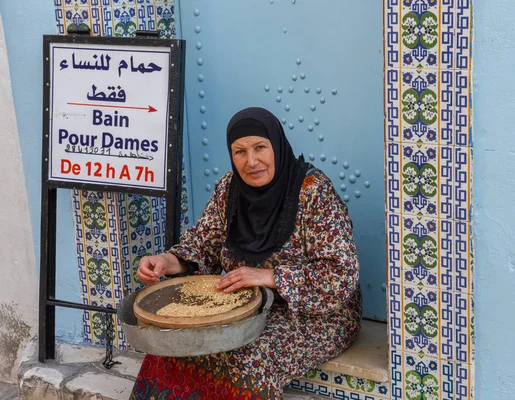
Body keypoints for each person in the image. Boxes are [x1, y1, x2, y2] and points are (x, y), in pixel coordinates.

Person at [129, 107, 362, 400]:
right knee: (172, 346)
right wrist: (166, 261)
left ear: (276, 146)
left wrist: (270, 276)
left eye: (260, 148)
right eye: (239, 152)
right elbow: (202, 245)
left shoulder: (312, 192)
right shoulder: (230, 189)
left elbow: (341, 275)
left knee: (248, 357)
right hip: (246, 307)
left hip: (317, 315)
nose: (251, 161)